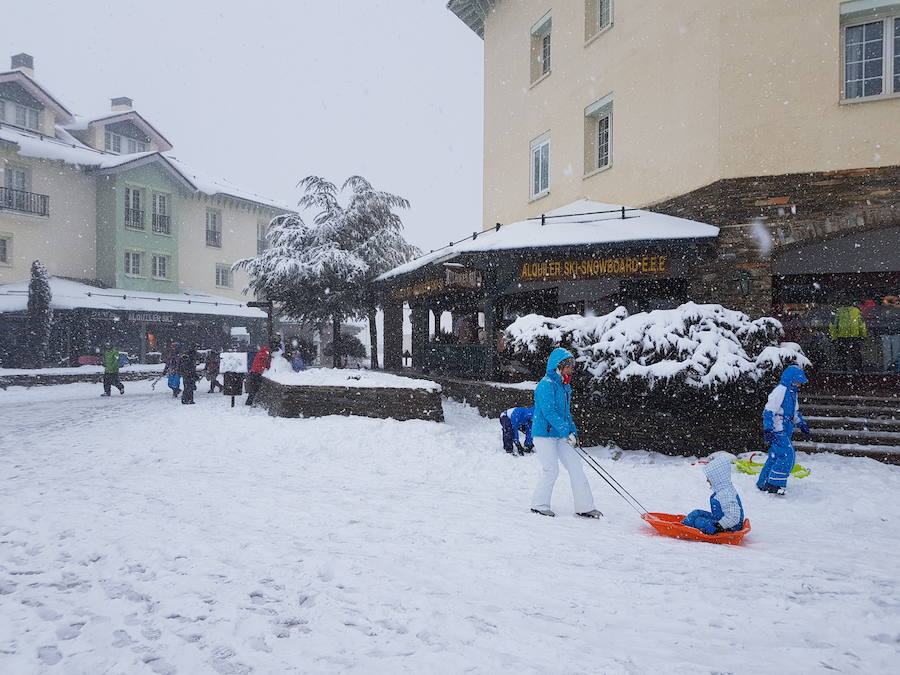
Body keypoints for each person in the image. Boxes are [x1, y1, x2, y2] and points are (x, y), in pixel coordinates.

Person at [530, 348, 602, 518]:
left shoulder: (564, 386)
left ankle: (584, 506)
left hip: (561, 434)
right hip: (544, 434)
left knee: (576, 467)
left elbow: (566, 413)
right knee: (551, 470)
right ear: (558, 366)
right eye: (568, 366)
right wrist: (565, 431)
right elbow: (549, 412)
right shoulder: (545, 385)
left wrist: (573, 432)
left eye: (572, 366)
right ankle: (539, 505)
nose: (571, 370)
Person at [758, 365, 811, 495]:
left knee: (776, 455)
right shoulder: (780, 390)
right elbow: (769, 411)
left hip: (786, 427)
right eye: (797, 381)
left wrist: (801, 424)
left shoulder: (793, 393)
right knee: (788, 455)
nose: (799, 385)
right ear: (790, 379)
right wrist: (768, 429)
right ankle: (774, 483)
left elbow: (794, 413)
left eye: (800, 382)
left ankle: (763, 482)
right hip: (777, 428)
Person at [682, 457, 745, 534]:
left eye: (709, 478)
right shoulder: (722, 489)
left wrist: (717, 526)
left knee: (699, 521)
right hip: (721, 519)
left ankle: (687, 530)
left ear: (717, 478)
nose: (707, 480)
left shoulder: (726, 494)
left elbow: (734, 518)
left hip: (730, 527)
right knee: (697, 513)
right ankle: (683, 526)